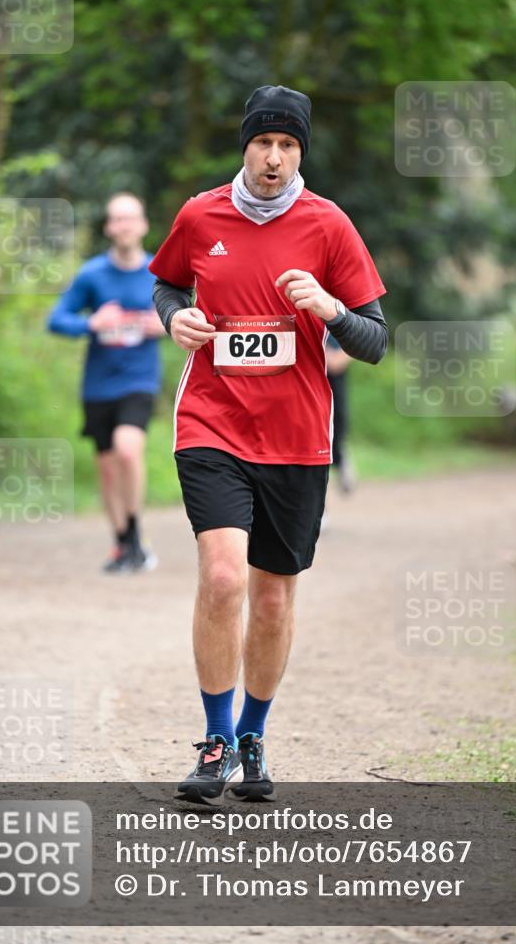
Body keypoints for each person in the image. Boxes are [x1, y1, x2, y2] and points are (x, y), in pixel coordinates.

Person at [151, 85, 388, 804]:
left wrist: (331, 309)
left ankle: (253, 737)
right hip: (211, 421)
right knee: (223, 577)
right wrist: (175, 320)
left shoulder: (328, 225)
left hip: (294, 438)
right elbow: (163, 284)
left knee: (274, 600)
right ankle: (215, 738)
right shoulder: (201, 214)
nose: (275, 158)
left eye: (288, 146)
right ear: (245, 146)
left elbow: (374, 340)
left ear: (300, 153)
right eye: (264, 143)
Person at [48, 192, 165, 570]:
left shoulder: (160, 274)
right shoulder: (92, 274)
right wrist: (91, 323)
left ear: (143, 224)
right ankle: (122, 545)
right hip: (99, 384)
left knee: (128, 449)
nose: (124, 226)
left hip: (139, 379)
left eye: (130, 218)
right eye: (116, 219)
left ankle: (134, 533)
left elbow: (192, 316)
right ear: (108, 228)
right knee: (107, 465)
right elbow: (57, 319)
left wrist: (163, 325)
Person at [326, 335, 355, 494]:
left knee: (338, 423)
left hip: (336, 378)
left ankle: (341, 458)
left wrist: (340, 357)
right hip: (310, 373)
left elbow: (362, 337)